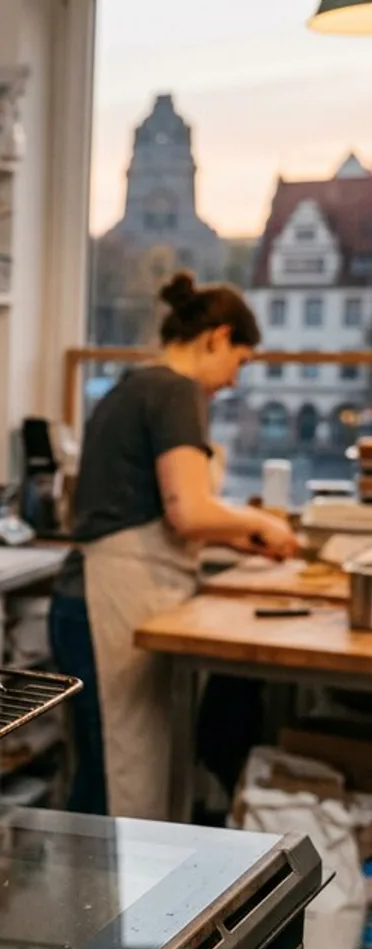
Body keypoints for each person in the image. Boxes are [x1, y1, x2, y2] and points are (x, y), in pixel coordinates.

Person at [50, 272, 298, 822]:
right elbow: (187, 509)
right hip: (106, 601)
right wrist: (264, 524)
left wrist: (241, 536)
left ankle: (79, 878)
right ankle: (87, 883)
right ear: (218, 336)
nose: (233, 380)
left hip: (87, 599)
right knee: (119, 780)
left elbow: (154, 506)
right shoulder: (176, 390)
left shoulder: (134, 385)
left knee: (103, 773)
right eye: (239, 361)